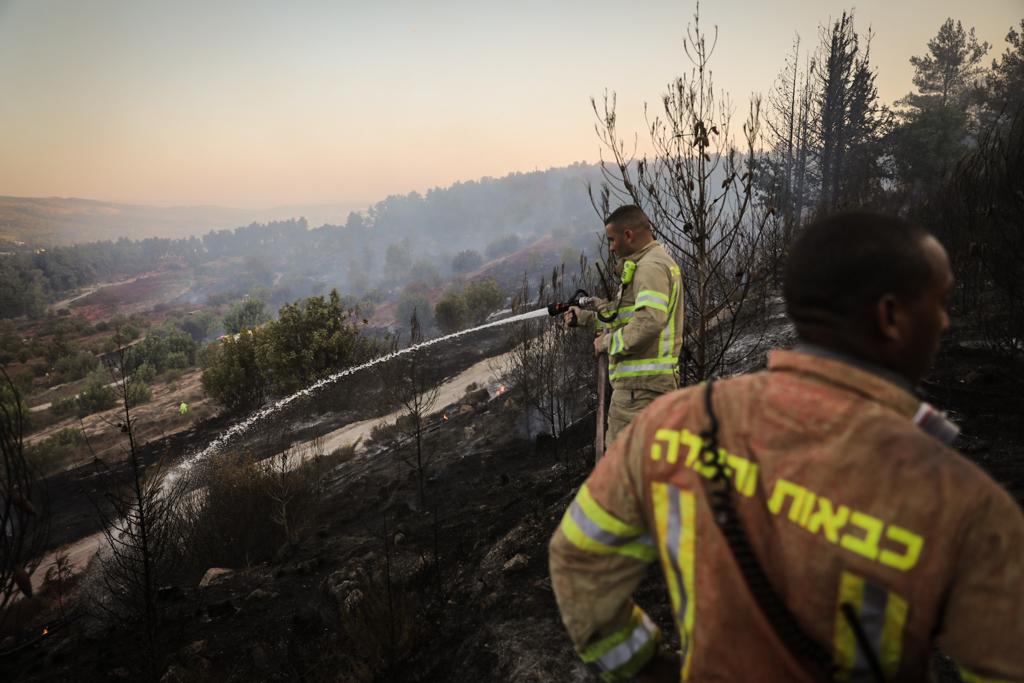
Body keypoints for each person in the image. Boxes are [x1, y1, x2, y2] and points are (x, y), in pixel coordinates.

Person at [548, 212, 1024, 682]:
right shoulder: (963, 504)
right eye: (939, 303)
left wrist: (648, 670)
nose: (944, 322)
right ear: (891, 316)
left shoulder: (678, 424)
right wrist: (591, 318)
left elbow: (578, 558)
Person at [567, 205, 684, 449]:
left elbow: (649, 322)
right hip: (642, 391)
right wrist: (586, 318)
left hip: (641, 394)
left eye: (612, 239)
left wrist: (607, 343)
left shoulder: (650, 268)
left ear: (628, 235)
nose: (610, 247)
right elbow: (628, 319)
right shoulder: (648, 264)